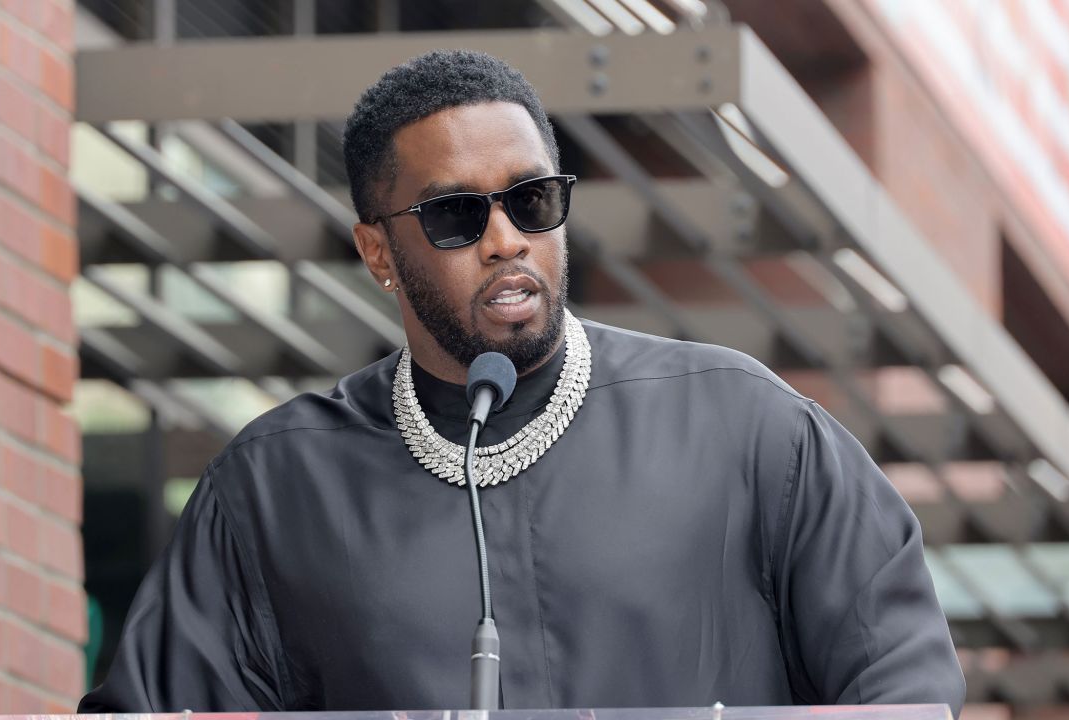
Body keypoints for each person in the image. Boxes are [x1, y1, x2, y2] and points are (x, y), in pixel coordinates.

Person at [79, 50, 966, 715]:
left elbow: (906, 686)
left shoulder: (745, 428)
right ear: (379, 251)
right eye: (458, 214)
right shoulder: (275, 490)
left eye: (532, 200)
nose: (507, 238)